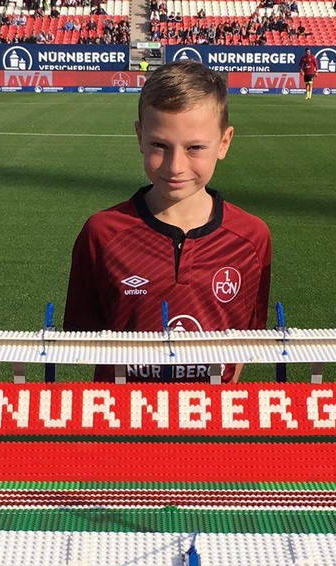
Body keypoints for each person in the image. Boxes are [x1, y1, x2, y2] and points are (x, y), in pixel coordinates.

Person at [63, 60, 272, 385]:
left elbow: (246, 338)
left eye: (195, 148)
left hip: (209, 414)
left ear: (224, 142)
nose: (175, 166)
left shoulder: (251, 236)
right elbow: (84, 337)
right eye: (160, 145)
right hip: (125, 413)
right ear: (140, 136)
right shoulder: (102, 233)